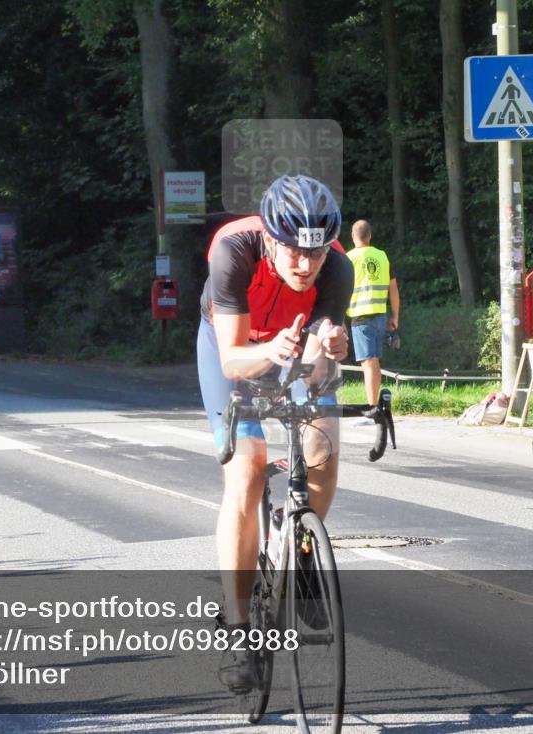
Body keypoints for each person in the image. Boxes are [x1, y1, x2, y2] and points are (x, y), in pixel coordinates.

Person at [197, 175, 353, 692]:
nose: (306, 267)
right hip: (237, 351)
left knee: (324, 443)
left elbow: (318, 361)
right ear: (269, 237)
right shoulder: (233, 252)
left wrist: (328, 345)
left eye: (316, 254)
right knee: (246, 469)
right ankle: (239, 630)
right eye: (293, 253)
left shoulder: (338, 267)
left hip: (289, 350)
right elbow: (233, 359)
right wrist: (273, 351)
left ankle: (302, 552)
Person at [346, 220, 400, 409]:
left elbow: (340, 289)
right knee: (374, 362)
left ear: (353, 236)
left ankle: (371, 409)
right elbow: (393, 288)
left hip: (361, 318)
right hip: (380, 316)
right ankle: (375, 405)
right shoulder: (382, 256)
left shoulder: (349, 258)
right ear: (370, 236)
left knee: (368, 364)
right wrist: (395, 317)